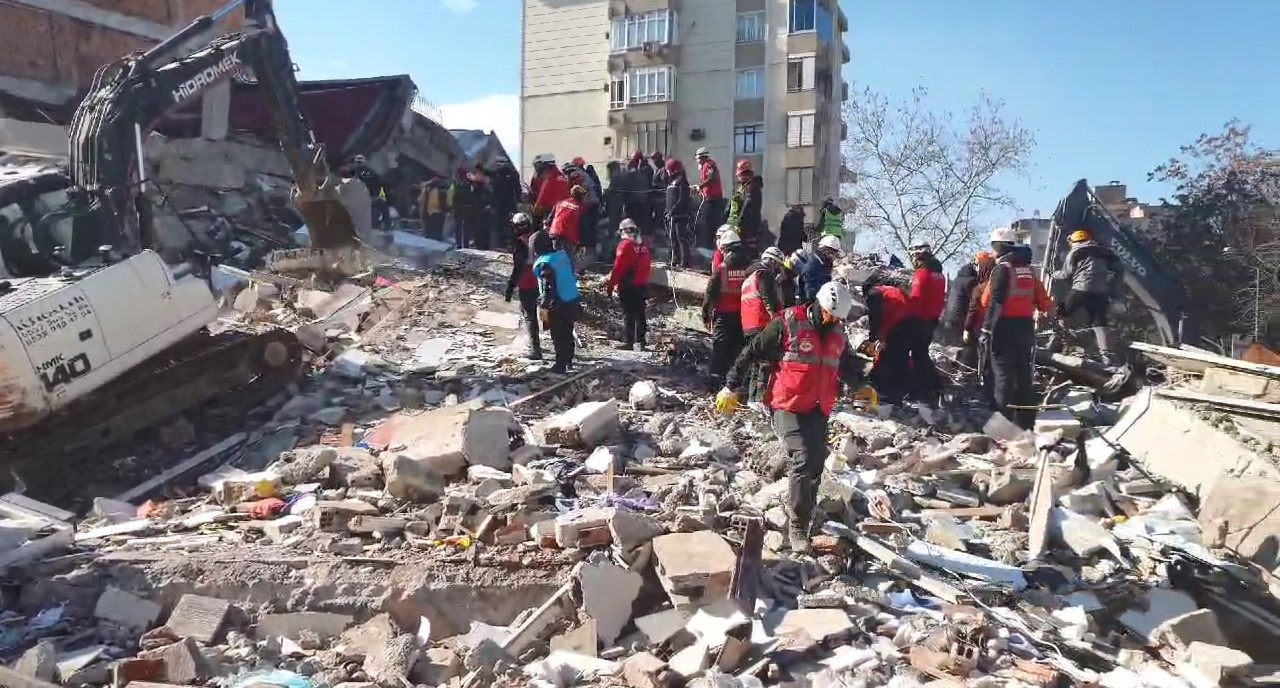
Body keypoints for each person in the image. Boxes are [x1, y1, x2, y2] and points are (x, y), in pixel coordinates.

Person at [717, 281, 866, 553]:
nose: (832, 321)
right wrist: (731, 386)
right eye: (829, 315)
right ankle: (796, 527)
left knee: (817, 462)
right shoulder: (787, 323)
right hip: (785, 404)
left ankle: (806, 516)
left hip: (818, 406)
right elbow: (752, 351)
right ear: (819, 306)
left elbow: (848, 366)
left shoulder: (837, 334)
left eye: (838, 318)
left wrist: (863, 386)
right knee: (802, 458)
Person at [980, 228, 1053, 430]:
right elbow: (1045, 303)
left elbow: (989, 302)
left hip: (1003, 328)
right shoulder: (1029, 271)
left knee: (1002, 375)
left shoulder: (1001, 269)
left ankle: (1001, 425)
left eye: (993, 247)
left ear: (999, 247)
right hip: (1026, 329)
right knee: (1023, 375)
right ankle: (1026, 423)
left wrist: (986, 330)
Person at [1052, 228, 1125, 366]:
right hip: (1100, 292)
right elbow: (1119, 268)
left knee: (1060, 314)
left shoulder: (1075, 252)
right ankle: (1106, 356)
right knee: (1100, 323)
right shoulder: (1105, 252)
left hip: (1081, 289)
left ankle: (1061, 343)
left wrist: (1054, 274)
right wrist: (1114, 286)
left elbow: (1066, 274)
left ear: (1074, 241)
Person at [703, 229, 752, 387]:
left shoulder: (722, 269)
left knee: (719, 350)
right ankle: (735, 384)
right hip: (744, 316)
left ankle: (715, 383)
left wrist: (706, 315)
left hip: (724, 317)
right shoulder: (750, 266)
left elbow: (710, 294)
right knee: (737, 350)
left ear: (725, 248)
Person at [532, 229, 581, 374]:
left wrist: (544, 306)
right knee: (568, 331)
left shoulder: (545, 263)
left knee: (558, 335)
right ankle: (569, 360)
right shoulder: (561, 255)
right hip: (572, 299)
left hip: (558, 304)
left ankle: (560, 365)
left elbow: (548, 286)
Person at [903, 243, 947, 401]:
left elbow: (916, 299)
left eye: (914, 256)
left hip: (919, 320)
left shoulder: (922, 274)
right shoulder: (939, 274)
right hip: (932, 319)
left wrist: (907, 318)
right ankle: (934, 386)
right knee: (922, 353)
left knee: (917, 355)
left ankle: (922, 389)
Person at [863, 279, 913, 402]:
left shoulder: (873, 293)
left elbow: (875, 317)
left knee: (886, 359)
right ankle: (899, 394)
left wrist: (872, 338)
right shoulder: (891, 291)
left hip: (897, 326)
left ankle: (883, 393)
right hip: (910, 323)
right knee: (901, 358)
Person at [607, 218, 653, 351]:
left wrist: (611, 286)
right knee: (640, 313)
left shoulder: (625, 245)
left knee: (629, 314)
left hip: (628, 285)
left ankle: (629, 341)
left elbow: (618, 268)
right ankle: (641, 342)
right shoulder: (643, 247)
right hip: (641, 285)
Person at [505, 213, 542, 360]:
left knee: (529, 315)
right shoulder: (537, 237)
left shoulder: (520, 243)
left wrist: (510, 286)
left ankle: (535, 349)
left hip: (528, 282)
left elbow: (518, 268)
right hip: (541, 279)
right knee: (533, 312)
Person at [726, 160, 762, 255]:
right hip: (741, 226)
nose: (738, 177)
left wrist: (739, 222)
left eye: (740, 175)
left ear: (746, 174)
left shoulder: (753, 188)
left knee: (747, 251)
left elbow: (747, 206)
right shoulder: (743, 188)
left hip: (749, 227)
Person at [664, 158, 694, 268]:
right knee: (672, 238)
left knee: (681, 238)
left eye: (668, 170)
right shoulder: (672, 181)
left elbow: (682, 199)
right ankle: (674, 259)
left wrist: (673, 210)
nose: (667, 172)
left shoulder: (682, 182)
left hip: (680, 215)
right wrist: (667, 211)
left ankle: (684, 262)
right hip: (672, 216)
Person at [798, 235, 844, 305]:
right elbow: (810, 293)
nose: (834, 256)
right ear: (825, 250)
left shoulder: (823, 263)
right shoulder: (813, 265)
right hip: (812, 304)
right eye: (833, 252)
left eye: (835, 253)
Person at [694, 147, 725, 248]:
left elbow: (712, 178)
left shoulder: (709, 165)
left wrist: (701, 186)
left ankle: (711, 245)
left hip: (713, 199)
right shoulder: (704, 167)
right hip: (709, 198)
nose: (697, 161)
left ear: (702, 157)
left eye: (698, 158)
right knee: (707, 221)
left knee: (710, 222)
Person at [350, 155, 389, 230]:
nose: (359, 164)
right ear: (355, 162)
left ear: (364, 162)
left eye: (360, 162)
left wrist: (374, 195)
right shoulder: (350, 173)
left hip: (369, 198)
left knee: (382, 202)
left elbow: (378, 185)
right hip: (354, 199)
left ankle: (387, 227)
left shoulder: (372, 173)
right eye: (358, 162)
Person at [530, 155, 569, 229]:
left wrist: (535, 211)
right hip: (565, 211)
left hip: (554, 212)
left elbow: (542, 198)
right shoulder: (561, 176)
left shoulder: (550, 179)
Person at [549, 185, 586, 260]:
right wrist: (581, 243)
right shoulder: (580, 208)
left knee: (555, 258)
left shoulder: (560, 203)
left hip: (554, 233)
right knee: (568, 260)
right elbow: (582, 226)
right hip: (567, 236)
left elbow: (549, 219)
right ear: (581, 196)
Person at [448, 168, 475, 248]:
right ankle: (465, 244)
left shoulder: (455, 184)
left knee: (458, 226)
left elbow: (450, 195)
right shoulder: (470, 184)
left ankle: (459, 244)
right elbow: (473, 195)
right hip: (467, 208)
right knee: (466, 227)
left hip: (458, 207)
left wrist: (450, 206)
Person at [417, 174, 450, 240]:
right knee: (430, 232)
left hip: (437, 213)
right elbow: (420, 200)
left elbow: (447, 202)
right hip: (430, 213)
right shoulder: (427, 188)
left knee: (435, 233)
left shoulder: (442, 189)